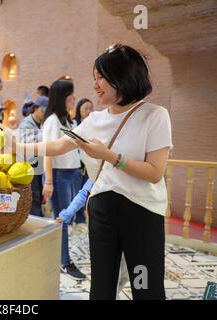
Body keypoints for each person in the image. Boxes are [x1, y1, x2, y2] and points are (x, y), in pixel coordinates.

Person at [15, 44, 172, 300]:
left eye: (102, 78)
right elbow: (58, 145)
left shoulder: (154, 115)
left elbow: (155, 172)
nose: (96, 85)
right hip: (102, 211)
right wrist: (16, 146)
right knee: (101, 286)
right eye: (94, 78)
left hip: (141, 214)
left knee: (146, 286)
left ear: (123, 77)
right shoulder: (95, 120)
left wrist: (110, 157)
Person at [42, 79, 85, 280]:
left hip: (73, 172)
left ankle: (62, 258)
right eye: (70, 94)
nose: (73, 98)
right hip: (60, 175)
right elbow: (47, 152)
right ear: (62, 97)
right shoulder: (52, 121)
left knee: (68, 218)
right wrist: (48, 181)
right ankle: (64, 262)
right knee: (62, 220)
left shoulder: (66, 119)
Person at [18, 96, 48, 217]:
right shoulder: (26, 124)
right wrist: (45, 135)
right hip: (29, 165)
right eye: (43, 111)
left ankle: (38, 215)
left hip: (39, 165)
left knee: (38, 194)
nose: (45, 114)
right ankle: (34, 219)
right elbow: (24, 143)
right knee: (33, 194)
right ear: (35, 108)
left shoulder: (42, 124)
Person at [73, 98, 94, 228]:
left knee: (86, 192)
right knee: (77, 191)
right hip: (77, 164)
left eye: (91, 108)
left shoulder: (93, 125)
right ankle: (76, 218)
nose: (89, 111)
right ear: (79, 111)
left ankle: (81, 219)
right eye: (86, 108)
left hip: (89, 164)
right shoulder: (75, 124)